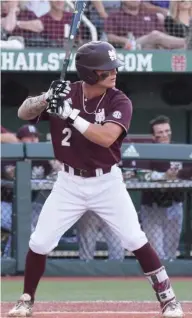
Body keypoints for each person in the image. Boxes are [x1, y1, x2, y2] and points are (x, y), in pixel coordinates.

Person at [8, 41, 183, 318]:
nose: (114, 72)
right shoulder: (66, 93)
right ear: (90, 73)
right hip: (68, 183)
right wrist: (46, 98)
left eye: (114, 67)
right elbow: (23, 113)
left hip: (107, 183)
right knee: (40, 242)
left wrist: (70, 114)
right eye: (106, 69)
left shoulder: (118, 99)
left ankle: (169, 299)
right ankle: (26, 299)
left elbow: (106, 137)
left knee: (134, 238)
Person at [140, 116, 184, 261]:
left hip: (174, 205)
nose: (165, 135)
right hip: (152, 207)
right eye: (160, 132)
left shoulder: (179, 150)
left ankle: (171, 281)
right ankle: (159, 281)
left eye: (167, 131)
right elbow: (142, 174)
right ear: (153, 135)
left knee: (171, 251)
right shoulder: (146, 151)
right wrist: (164, 175)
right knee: (157, 253)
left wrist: (179, 174)